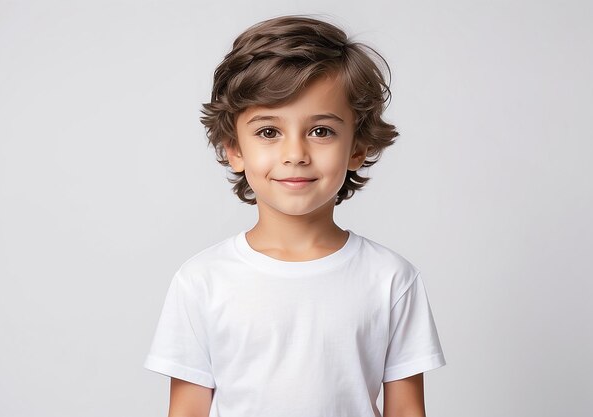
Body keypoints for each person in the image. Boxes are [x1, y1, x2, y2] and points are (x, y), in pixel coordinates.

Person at [144, 15, 446, 417]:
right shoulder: (201, 281)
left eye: (321, 131)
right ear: (234, 148)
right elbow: (187, 411)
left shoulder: (391, 279)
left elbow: (407, 411)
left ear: (357, 147)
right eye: (269, 132)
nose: (296, 154)